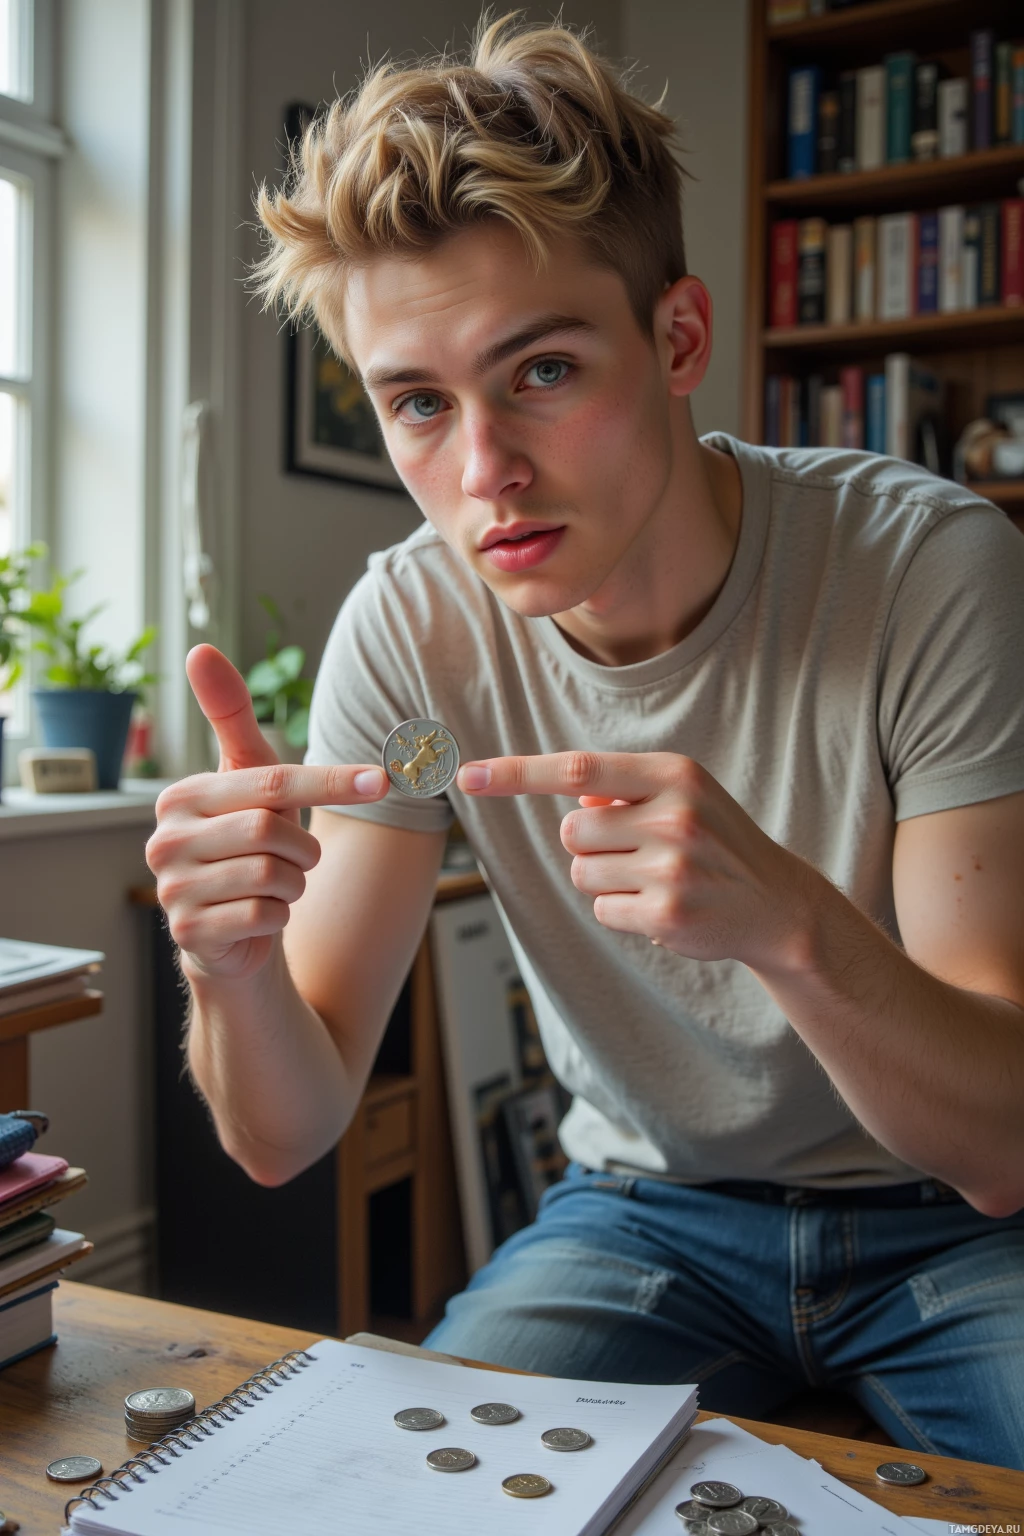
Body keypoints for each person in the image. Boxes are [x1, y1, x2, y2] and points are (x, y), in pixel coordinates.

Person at [145, 14, 1024, 1468]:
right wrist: (226, 966)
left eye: (541, 371)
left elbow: (999, 1145)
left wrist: (791, 926)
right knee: (383, 1491)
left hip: (957, 1227)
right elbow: (282, 1135)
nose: (483, 471)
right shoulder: (417, 636)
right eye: (419, 404)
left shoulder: (921, 567)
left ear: (676, 338)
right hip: (646, 1219)